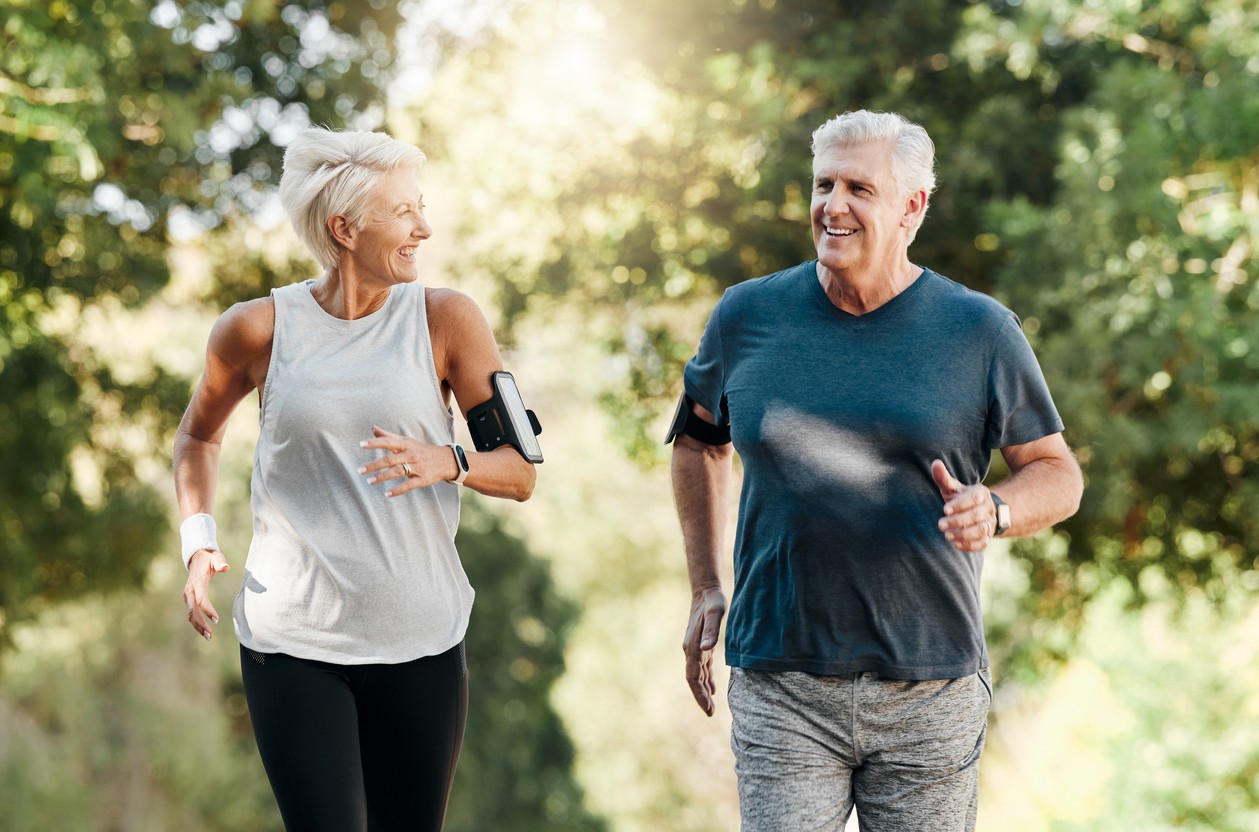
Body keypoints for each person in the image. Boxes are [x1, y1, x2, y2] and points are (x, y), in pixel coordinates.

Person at [667, 110, 1083, 831]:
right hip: (781, 676)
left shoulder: (979, 331)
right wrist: (706, 584)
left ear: (911, 208)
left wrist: (996, 509)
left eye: (858, 187)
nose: (832, 205)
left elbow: (1056, 472)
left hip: (928, 685)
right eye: (823, 184)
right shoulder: (746, 316)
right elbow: (697, 442)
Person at [173, 127, 538, 832]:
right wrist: (198, 539)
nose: (423, 228)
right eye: (404, 213)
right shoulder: (255, 331)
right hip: (293, 645)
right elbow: (197, 435)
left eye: (421, 208)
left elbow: (519, 474)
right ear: (344, 228)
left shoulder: (446, 319)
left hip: (421, 642)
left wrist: (450, 461)